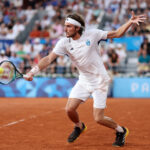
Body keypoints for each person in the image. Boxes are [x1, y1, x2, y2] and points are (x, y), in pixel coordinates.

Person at [24, 11, 146, 147]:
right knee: (69, 110)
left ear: (77, 28)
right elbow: (48, 59)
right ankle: (79, 126)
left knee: (99, 118)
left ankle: (121, 130)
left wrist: (129, 22)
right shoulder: (64, 42)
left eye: (69, 26)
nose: (65, 29)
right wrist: (32, 71)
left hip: (99, 81)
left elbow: (117, 33)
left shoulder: (93, 34)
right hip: (84, 80)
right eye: (65, 26)